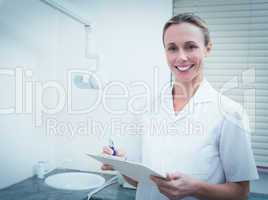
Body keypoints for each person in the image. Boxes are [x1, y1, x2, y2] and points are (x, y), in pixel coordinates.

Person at [102, 13, 259, 200]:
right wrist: (121, 165)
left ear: (207, 49)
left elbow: (240, 193)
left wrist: (195, 188)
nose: (181, 57)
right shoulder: (148, 108)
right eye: (172, 48)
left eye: (191, 46)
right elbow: (143, 181)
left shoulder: (230, 113)